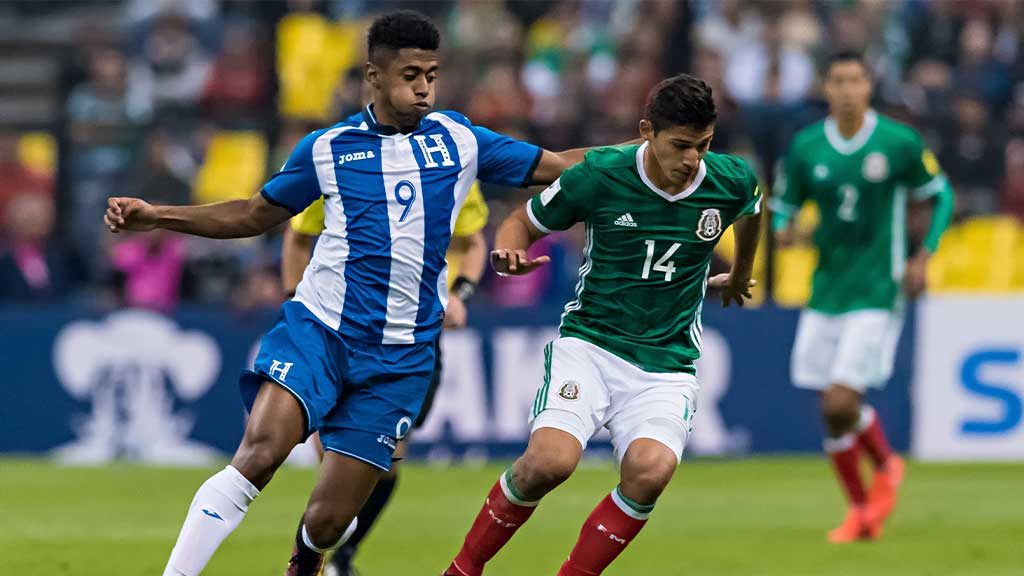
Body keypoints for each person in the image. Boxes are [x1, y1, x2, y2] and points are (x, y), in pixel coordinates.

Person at [104, 11, 593, 576]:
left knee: (329, 522)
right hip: (322, 331)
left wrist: (643, 154)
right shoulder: (328, 148)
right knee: (259, 454)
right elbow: (253, 214)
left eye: (432, 74)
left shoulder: (461, 141)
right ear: (373, 76)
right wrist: (159, 215)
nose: (424, 87)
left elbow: (560, 167)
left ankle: (305, 564)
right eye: (411, 74)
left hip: (401, 357)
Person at [444, 73, 762, 576]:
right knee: (549, 463)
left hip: (667, 361)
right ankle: (462, 569)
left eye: (703, 146)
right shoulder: (600, 174)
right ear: (647, 131)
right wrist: (510, 248)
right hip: (591, 345)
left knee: (651, 471)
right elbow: (522, 222)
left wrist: (741, 273)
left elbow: (751, 209)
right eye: (680, 146)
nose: (692, 160)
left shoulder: (730, 178)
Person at [769, 52, 954, 543]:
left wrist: (922, 256)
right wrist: (785, 229)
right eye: (838, 81)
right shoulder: (807, 146)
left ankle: (869, 492)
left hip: (878, 288)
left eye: (856, 80)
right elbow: (786, 204)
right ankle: (876, 482)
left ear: (869, 86)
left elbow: (941, 195)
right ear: (826, 88)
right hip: (826, 289)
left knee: (839, 401)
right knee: (831, 407)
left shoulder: (898, 141)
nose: (848, 89)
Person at [280, 181, 489, 576]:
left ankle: (338, 553)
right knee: (337, 459)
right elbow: (297, 237)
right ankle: (315, 560)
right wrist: (295, 300)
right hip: (340, 329)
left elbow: (472, 241)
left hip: (416, 334)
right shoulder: (343, 163)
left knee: (384, 464)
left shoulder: (454, 163)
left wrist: (461, 293)